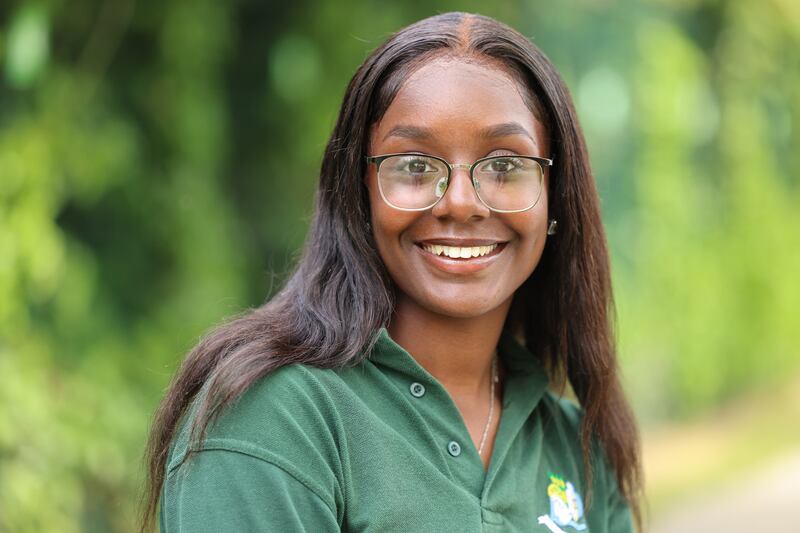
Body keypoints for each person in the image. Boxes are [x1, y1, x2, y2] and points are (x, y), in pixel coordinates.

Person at [141, 11, 644, 533]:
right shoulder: (272, 421)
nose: (462, 203)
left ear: (554, 196)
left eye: (504, 166)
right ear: (361, 191)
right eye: (414, 165)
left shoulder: (578, 445)